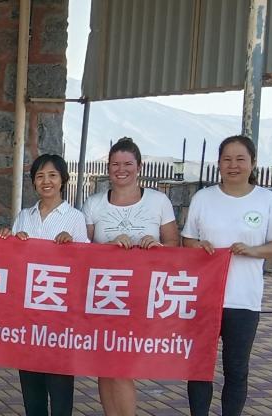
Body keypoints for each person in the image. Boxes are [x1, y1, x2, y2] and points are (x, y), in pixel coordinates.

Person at [183, 135, 272, 416]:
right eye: (227, 159)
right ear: (218, 163)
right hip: (204, 298)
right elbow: (188, 240)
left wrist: (254, 251)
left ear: (253, 163)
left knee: (236, 369)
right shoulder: (203, 198)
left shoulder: (267, 200)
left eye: (240, 159)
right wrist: (198, 246)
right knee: (199, 367)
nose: (233, 165)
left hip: (244, 299)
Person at [81, 138, 179, 416]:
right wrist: (108, 248)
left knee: (123, 365)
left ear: (139, 167)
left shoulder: (158, 201)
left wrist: (156, 246)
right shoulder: (94, 203)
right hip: (105, 295)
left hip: (141, 296)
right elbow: (81, 250)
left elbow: (174, 244)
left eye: (127, 164)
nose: (121, 170)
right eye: (115, 164)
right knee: (105, 364)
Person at [0, 153, 87, 416]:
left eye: (52, 175)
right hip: (28, 316)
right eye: (39, 176)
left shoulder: (75, 218)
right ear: (33, 182)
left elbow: (85, 264)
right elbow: (11, 262)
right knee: (31, 387)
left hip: (60, 316)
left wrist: (71, 245)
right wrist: (10, 239)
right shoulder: (25, 216)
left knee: (59, 388)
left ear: (63, 180)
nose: (46, 181)